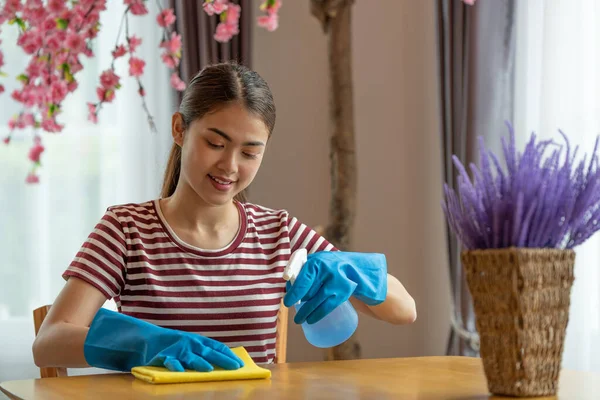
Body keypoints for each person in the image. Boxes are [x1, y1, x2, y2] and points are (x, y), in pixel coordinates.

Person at [32, 62, 416, 373]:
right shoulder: (127, 230)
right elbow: (49, 343)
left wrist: (355, 270)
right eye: (215, 143)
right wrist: (146, 343)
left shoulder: (278, 233)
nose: (229, 166)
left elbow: (405, 312)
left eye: (250, 153)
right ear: (180, 129)